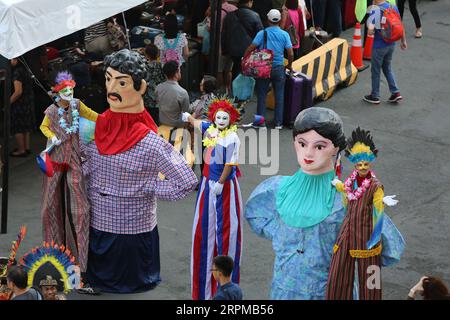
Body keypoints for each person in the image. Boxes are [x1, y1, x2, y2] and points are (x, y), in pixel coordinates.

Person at [83, 49, 197, 293]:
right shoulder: (95, 129)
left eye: (121, 82)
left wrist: (149, 186)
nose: (111, 88)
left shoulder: (149, 141)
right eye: (108, 78)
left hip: (132, 227)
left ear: (141, 87)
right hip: (98, 221)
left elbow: (186, 181)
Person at [245, 107, 349, 299]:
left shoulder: (347, 199)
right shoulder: (275, 189)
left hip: (327, 290)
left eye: (320, 146)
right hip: (284, 287)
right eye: (302, 143)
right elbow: (255, 216)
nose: (308, 153)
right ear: (294, 142)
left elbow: (377, 244)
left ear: (335, 148)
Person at [326, 127, 405, 300]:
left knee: (371, 283)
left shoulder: (376, 186)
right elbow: (347, 193)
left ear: (370, 162)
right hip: (347, 234)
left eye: (365, 164)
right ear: (354, 163)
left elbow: (378, 214)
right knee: (338, 273)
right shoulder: (352, 179)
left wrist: (374, 239)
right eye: (359, 164)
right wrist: (338, 184)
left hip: (367, 239)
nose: (362, 167)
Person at [182, 98, 243, 300]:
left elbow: (230, 164)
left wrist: (221, 182)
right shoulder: (210, 128)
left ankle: (226, 292)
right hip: (208, 185)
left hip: (223, 188)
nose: (221, 120)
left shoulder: (232, 137)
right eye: (219, 117)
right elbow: (198, 123)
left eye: (225, 117)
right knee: (202, 234)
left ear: (231, 119)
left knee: (227, 235)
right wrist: (189, 117)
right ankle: (203, 294)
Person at [39, 71, 98, 277]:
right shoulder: (51, 111)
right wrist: (52, 135)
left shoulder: (77, 105)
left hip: (73, 156)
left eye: (71, 89)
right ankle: (53, 253)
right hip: (55, 159)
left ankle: (81, 260)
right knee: (49, 206)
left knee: (80, 207)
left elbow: (92, 115)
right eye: (65, 90)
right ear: (58, 92)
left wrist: (111, 121)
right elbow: (43, 126)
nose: (69, 93)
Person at [244, 9, 293, 129]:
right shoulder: (284, 34)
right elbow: (290, 53)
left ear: (268, 19)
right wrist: (289, 65)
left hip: (263, 68)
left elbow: (251, 47)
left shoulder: (262, 33)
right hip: (278, 67)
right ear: (280, 20)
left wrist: (245, 58)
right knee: (279, 95)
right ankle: (278, 123)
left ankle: (261, 122)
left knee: (261, 95)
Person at [363, 0, 407, 105]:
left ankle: (375, 96)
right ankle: (395, 92)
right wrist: (403, 40)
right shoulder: (392, 6)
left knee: (376, 70)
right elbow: (400, 24)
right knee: (387, 67)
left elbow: (370, 30)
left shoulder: (376, 9)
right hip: (391, 44)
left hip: (379, 46)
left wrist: (370, 25)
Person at [222, 0, 264, 80]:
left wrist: (224, 50)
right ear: (249, 2)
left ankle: (235, 89)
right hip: (248, 51)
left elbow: (224, 34)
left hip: (232, 51)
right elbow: (260, 35)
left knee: (236, 70)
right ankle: (244, 90)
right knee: (247, 73)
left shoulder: (229, 16)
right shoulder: (255, 15)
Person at [205, 0, 237, 93]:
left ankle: (220, 90)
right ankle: (228, 89)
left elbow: (211, 28)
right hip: (232, 43)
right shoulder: (234, 9)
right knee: (228, 69)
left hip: (220, 45)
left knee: (219, 70)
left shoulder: (217, 11)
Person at [9, 57, 35, 157]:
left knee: (18, 127)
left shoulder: (16, 72)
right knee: (26, 126)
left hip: (19, 103)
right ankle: (26, 147)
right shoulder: (26, 69)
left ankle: (21, 150)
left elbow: (18, 92)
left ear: (17, 60)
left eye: (12, 59)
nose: (11, 61)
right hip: (28, 101)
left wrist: (8, 103)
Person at [156, 61, 190, 128]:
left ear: (165, 75)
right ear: (176, 74)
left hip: (161, 122)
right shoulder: (182, 92)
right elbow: (186, 113)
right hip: (176, 125)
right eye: (179, 71)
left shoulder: (158, 88)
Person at [143, 43, 166, 125]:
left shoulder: (145, 67)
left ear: (147, 56)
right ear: (157, 54)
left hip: (148, 99)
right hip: (160, 97)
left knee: (149, 121)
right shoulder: (162, 66)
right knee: (158, 120)